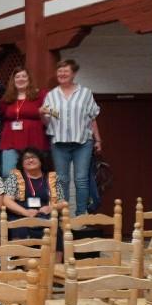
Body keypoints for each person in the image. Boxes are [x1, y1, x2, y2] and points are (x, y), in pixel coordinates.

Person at [41, 59, 102, 216]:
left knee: (81, 179)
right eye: (59, 71)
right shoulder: (51, 95)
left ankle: (81, 215)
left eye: (66, 71)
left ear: (73, 73)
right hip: (59, 142)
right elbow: (47, 122)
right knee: (62, 180)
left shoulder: (85, 93)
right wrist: (42, 114)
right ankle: (64, 216)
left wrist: (98, 139)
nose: (62, 74)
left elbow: (92, 117)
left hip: (83, 142)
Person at [0, 66, 48, 178]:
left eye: (24, 76)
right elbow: (2, 117)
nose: (20, 79)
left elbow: (51, 114)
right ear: (13, 80)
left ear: (29, 79)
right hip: (10, 140)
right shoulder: (7, 98)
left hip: (33, 140)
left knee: (32, 174)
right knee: (8, 173)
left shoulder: (40, 95)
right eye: (17, 77)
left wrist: (41, 113)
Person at [3, 147, 61, 243]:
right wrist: (25, 212)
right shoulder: (15, 176)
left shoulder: (51, 177)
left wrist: (51, 208)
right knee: (20, 228)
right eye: (26, 158)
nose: (30, 160)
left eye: (33, 157)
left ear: (41, 160)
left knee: (54, 230)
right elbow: (6, 200)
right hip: (20, 215)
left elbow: (62, 202)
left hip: (44, 215)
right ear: (22, 163)